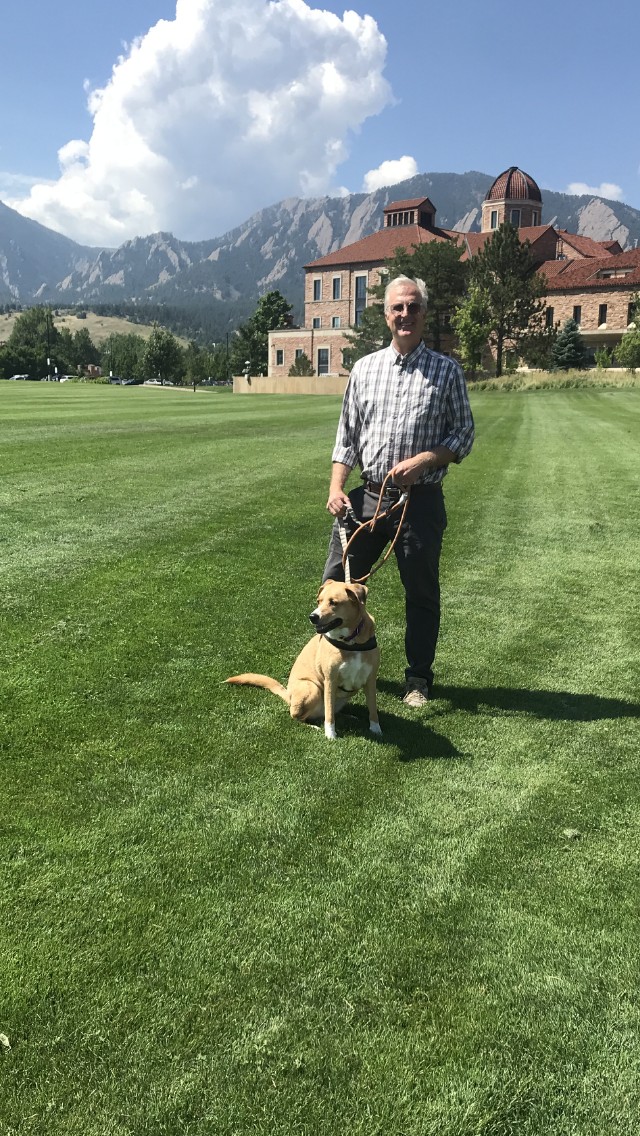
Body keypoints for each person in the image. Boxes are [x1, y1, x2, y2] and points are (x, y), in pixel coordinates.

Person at [322, 274, 474, 707]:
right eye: (397, 308)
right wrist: (337, 487)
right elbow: (346, 438)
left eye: (413, 307)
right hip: (367, 497)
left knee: (421, 594)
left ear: (424, 313)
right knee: (335, 582)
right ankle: (332, 665)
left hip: (420, 502)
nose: (405, 314)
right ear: (386, 315)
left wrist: (426, 460)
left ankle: (418, 679)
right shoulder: (365, 368)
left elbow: (463, 434)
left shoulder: (447, 371)